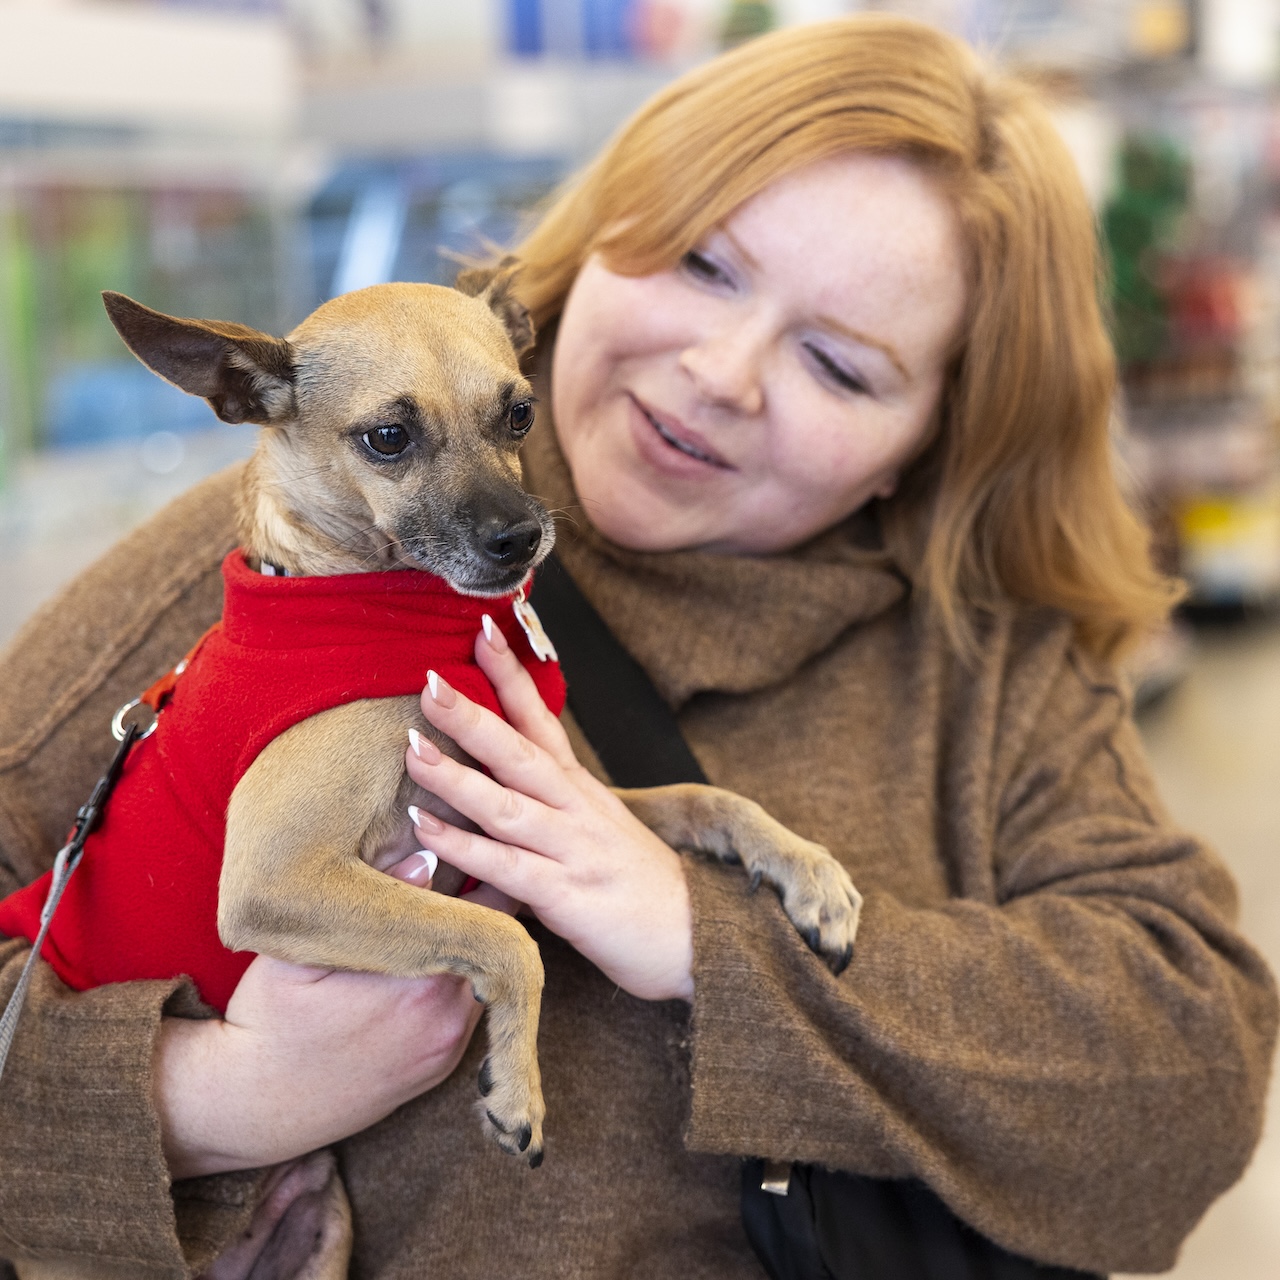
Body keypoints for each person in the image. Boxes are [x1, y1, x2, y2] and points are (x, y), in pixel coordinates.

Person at [1, 14, 1276, 1279]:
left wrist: (703, 937)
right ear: (603, 235)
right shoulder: (295, 540)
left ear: (937, 432)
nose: (721, 372)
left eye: (838, 365)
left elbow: (1189, 1084)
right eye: (702, 266)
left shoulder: (984, 658)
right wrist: (214, 1095)